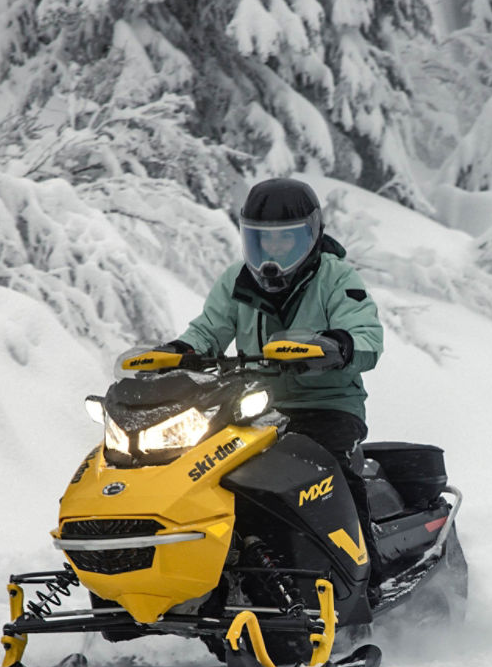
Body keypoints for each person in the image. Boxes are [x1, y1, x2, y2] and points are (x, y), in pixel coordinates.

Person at [158, 177, 384, 585]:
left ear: (312, 235)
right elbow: (208, 330)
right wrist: (179, 351)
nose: (274, 251)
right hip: (256, 406)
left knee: (333, 474)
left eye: (287, 240)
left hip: (327, 405)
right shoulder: (236, 280)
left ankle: (365, 576)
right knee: (203, 470)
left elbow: (366, 334)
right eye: (263, 241)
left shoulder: (336, 277)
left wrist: (335, 347)